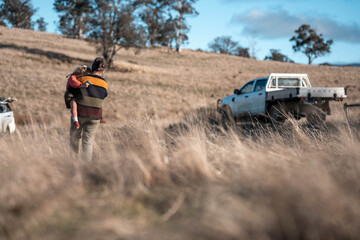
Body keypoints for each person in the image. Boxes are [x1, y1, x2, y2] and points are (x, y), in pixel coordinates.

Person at [70, 57, 108, 160]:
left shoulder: (82, 78)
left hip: (79, 113)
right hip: (95, 116)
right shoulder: (105, 84)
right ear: (103, 70)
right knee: (88, 142)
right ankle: (86, 168)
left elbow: (71, 90)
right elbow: (103, 96)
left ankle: (72, 165)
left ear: (92, 68)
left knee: (75, 138)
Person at [64, 65, 92, 129]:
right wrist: (81, 85)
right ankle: (75, 121)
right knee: (73, 103)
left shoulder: (84, 78)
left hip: (79, 94)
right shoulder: (73, 76)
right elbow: (73, 82)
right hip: (71, 95)